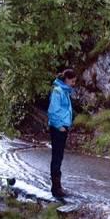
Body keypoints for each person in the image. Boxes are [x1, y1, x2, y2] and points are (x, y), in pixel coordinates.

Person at [47, 69, 76, 198]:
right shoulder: (58, 91)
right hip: (58, 129)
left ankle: (57, 187)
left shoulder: (64, 91)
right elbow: (52, 111)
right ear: (67, 79)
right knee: (57, 158)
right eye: (73, 81)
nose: (74, 83)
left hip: (63, 128)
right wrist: (60, 126)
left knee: (59, 157)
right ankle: (56, 189)